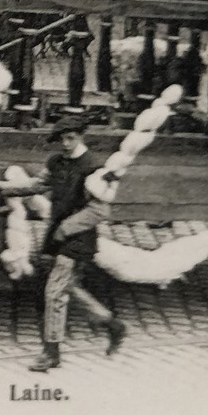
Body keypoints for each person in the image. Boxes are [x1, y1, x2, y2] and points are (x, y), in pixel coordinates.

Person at [26, 113, 126, 372]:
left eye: (71, 138)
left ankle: (51, 353)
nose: (66, 144)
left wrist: (67, 227)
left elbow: (99, 211)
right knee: (68, 287)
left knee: (55, 291)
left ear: (81, 136)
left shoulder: (94, 167)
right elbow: (37, 185)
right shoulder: (56, 162)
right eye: (62, 139)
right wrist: (3, 187)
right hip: (57, 233)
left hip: (78, 236)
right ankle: (110, 323)